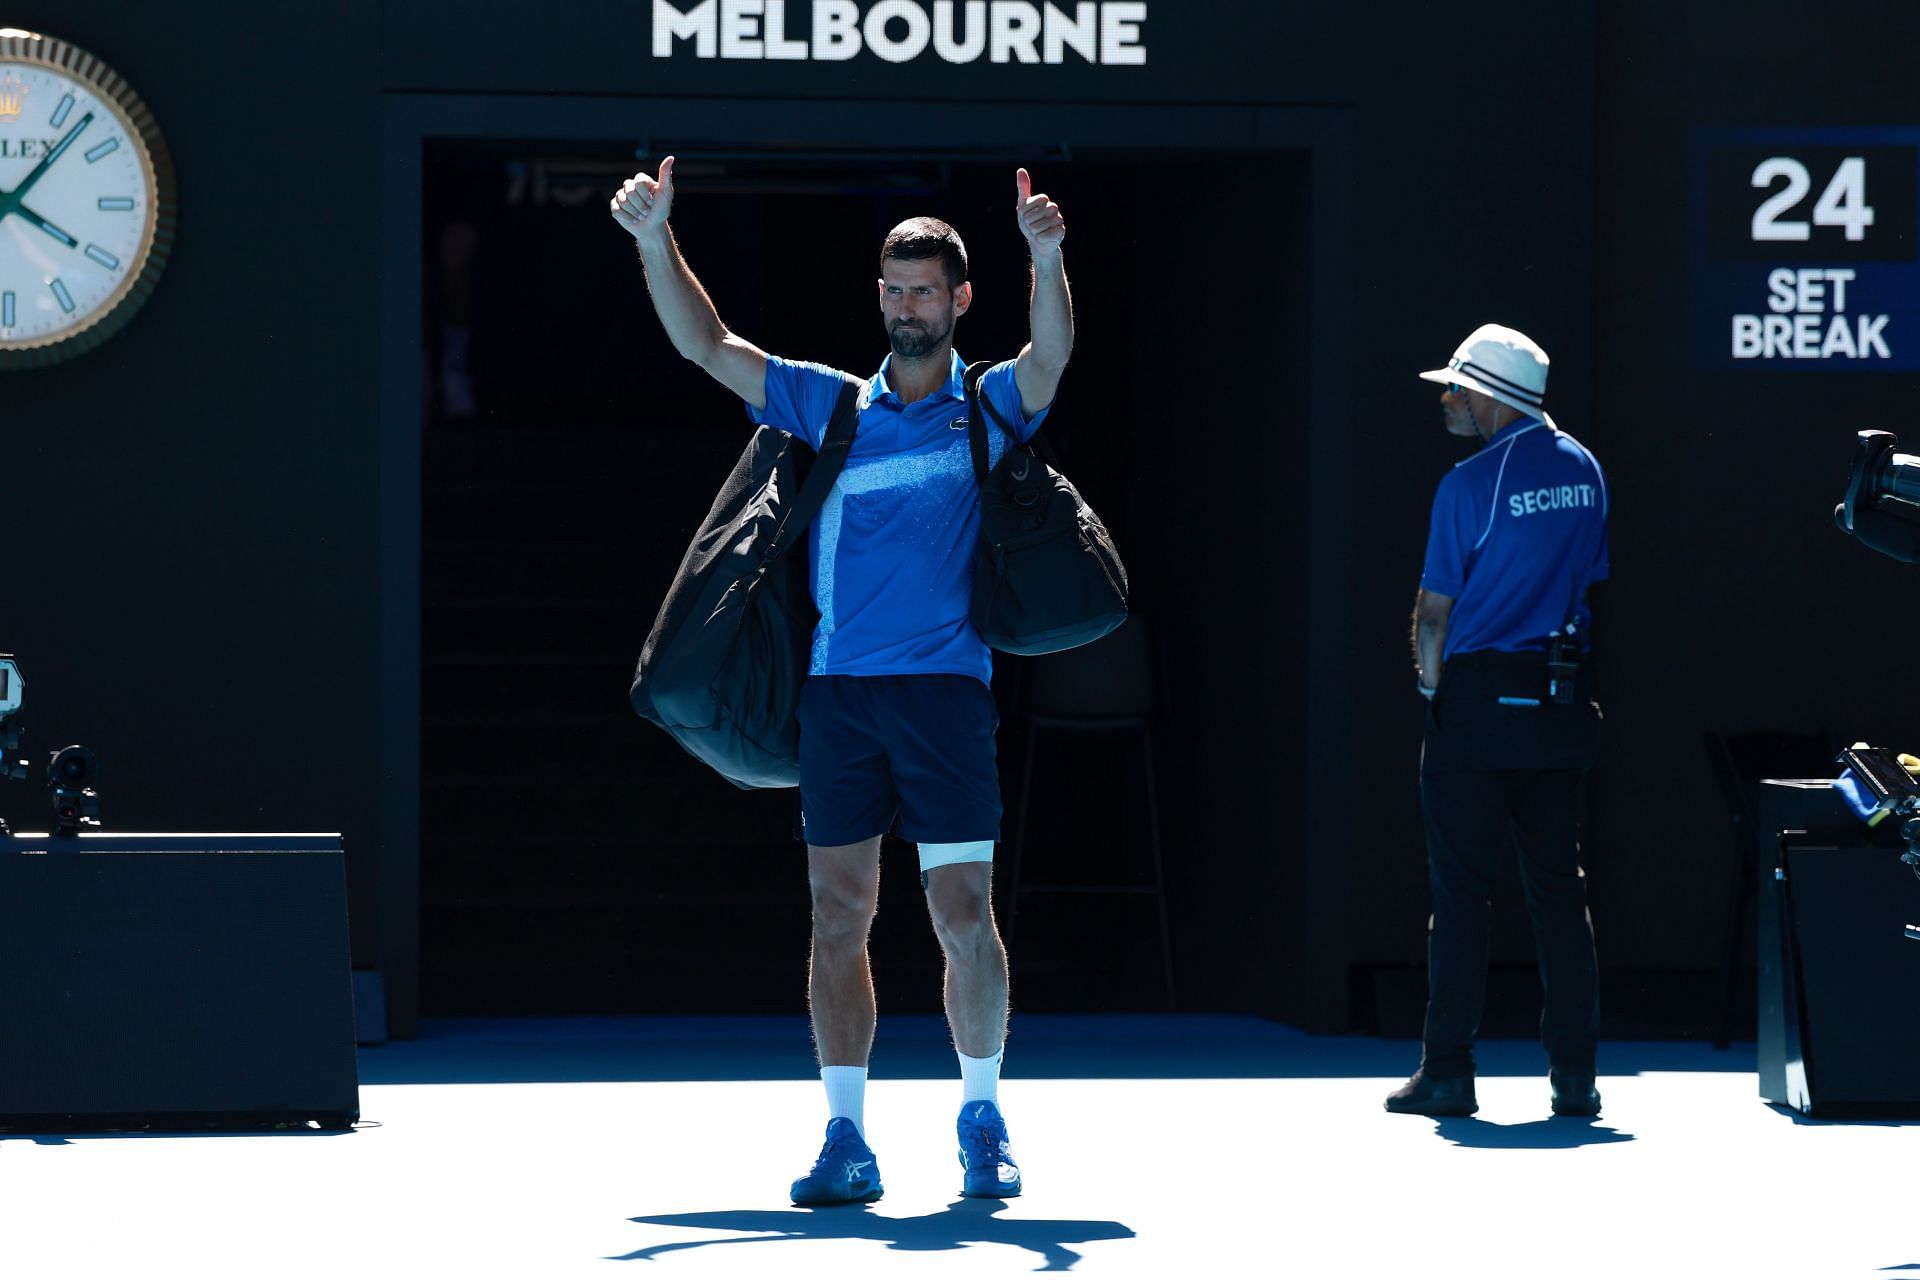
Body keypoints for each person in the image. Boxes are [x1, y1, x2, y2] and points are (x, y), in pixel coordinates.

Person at [609, 156, 1071, 1201]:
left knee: (963, 911)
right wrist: (653, 238)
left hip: (947, 696)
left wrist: (1046, 256)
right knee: (835, 914)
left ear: (959, 300)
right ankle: (846, 1136)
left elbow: (1051, 360)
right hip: (840, 700)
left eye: (924, 291)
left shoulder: (991, 407)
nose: (906, 306)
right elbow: (706, 345)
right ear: (880, 297)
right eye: (892, 289)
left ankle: (984, 1114)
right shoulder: (831, 405)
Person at [1387, 323, 1609, 1119]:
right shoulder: (1586, 470)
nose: (1446, 399)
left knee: (1461, 896)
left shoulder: (1466, 483)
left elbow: (1434, 618)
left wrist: (1433, 693)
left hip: (1478, 707)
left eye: (1455, 387)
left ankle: (1447, 1073)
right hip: (1557, 703)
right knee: (1558, 890)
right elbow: (1586, 582)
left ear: (1489, 396)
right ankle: (1575, 1077)